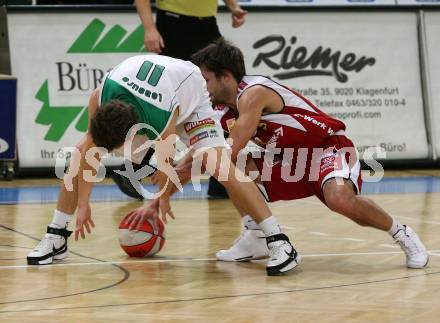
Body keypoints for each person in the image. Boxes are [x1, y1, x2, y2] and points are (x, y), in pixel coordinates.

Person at [26, 54, 301, 276]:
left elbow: (166, 165)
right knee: (77, 153)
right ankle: (56, 235)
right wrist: (83, 203)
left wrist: (160, 199)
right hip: (150, 85)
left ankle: (278, 241)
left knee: (217, 163)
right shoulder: (100, 96)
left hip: (188, 90)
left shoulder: (159, 119)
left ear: (137, 130)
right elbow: (89, 154)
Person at [189, 38, 429, 269]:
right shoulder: (221, 109)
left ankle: (401, 233)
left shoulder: (254, 93)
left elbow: (231, 148)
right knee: (234, 167)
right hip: (290, 160)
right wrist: (164, 191)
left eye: (206, 80)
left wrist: (180, 173)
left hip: (327, 147)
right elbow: (206, 151)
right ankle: (255, 235)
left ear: (226, 77)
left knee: (339, 200)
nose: (202, 88)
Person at [111, 0, 247, 200]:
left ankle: (220, 179)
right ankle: (133, 168)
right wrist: (149, 28)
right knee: (168, 102)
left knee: (223, 95)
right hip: (174, 24)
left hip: (208, 23)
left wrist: (233, 6)